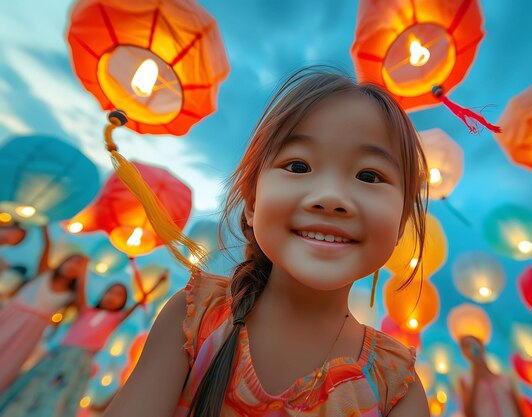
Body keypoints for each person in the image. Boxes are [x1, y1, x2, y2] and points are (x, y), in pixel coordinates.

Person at [103, 68, 431, 417]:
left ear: (400, 226)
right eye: (299, 166)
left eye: (369, 175)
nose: (331, 197)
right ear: (252, 203)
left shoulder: (394, 386)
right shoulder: (196, 318)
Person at [0, 268, 168, 417]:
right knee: (34, 384)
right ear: (103, 294)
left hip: (78, 362)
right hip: (57, 355)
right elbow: (80, 290)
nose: (112, 297)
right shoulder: (86, 310)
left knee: (60, 394)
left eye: (119, 296)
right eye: (110, 292)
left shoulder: (115, 318)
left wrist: (157, 285)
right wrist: (82, 271)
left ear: (123, 303)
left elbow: (140, 302)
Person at [0, 225, 87, 392]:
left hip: (31, 330)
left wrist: (84, 276)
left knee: (10, 360)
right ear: (63, 261)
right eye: (71, 261)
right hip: (13, 315)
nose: (72, 267)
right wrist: (45, 223)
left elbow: (82, 310)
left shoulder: (70, 296)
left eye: (78, 266)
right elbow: (47, 245)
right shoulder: (45, 272)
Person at [458, 335, 525, 417]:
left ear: (482, 346)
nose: (471, 348)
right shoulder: (466, 381)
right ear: (463, 353)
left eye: (474, 343)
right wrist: (476, 379)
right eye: (466, 346)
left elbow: (519, 410)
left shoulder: (506, 380)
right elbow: (468, 413)